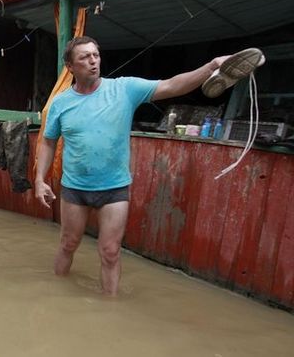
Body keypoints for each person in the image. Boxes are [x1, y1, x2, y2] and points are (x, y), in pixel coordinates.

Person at [34, 36, 249, 296]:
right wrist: (39, 179)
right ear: (70, 66)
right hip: (74, 188)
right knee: (68, 244)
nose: (93, 61)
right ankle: (55, 297)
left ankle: (109, 307)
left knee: (110, 252)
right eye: (85, 57)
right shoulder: (60, 103)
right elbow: (48, 142)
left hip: (114, 188)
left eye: (96, 55)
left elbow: (172, 85)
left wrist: (212, 65)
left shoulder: (124, 89)